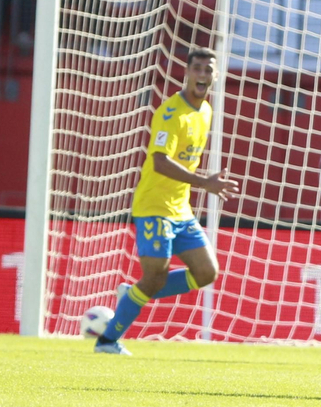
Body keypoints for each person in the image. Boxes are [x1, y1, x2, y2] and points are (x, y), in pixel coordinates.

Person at [94, 49, 241, 355]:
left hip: (180, 207)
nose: (202, 75)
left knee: (206, 272)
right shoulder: (171, 113)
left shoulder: (206, 111)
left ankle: (134, 293)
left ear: (215, 76)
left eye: (208, 70)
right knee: (156, 274)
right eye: (196, 68)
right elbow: (159, 162)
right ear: (186, 73)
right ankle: (107, 341)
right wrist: (205, 183)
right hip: (154, 205)